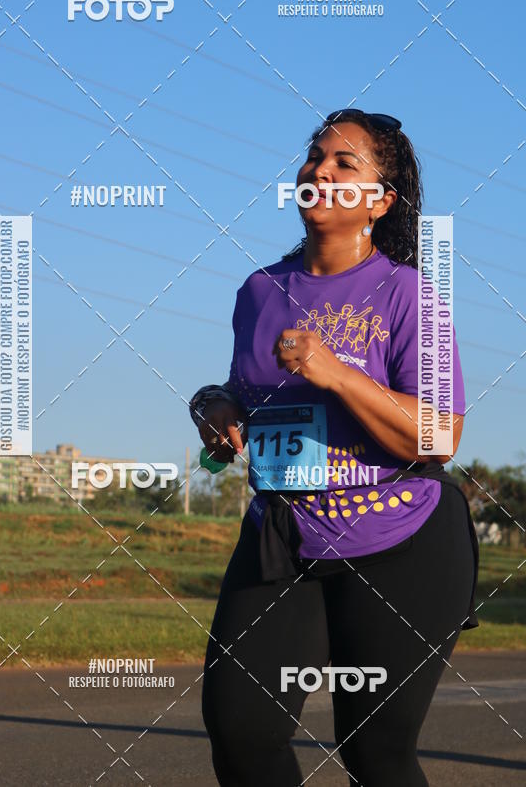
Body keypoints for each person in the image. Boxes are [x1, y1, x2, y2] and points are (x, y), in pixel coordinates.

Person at [189, 109, 479, 787]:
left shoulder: (409, 294)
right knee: (240, 732)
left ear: (380, 200)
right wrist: (215, 406)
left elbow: (439, 436)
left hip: (400, 540)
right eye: (315, 156)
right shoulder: (259, 292)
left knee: (376, 754)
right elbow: (243, 390)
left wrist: (337, 374)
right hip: (281, 536)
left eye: (345, 163)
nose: (320, 169)